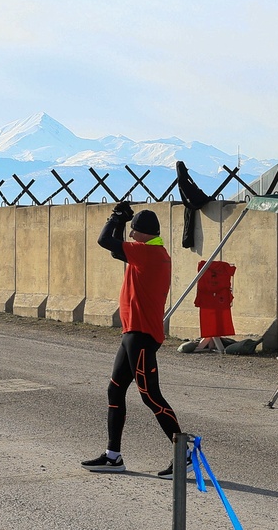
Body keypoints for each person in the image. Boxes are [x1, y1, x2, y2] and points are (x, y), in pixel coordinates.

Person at [81, 201, 186, 479]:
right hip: (132, 334)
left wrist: (115, 218)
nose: (130, 237)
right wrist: (120, 223)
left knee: (151, 396)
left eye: (133, 232)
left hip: (141, 336)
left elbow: (105, 241)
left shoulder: (148, 253)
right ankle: (113, 456)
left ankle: (184, 452)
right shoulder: (149, 252)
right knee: (115, 391)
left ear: (142, 234)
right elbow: (117, 250)